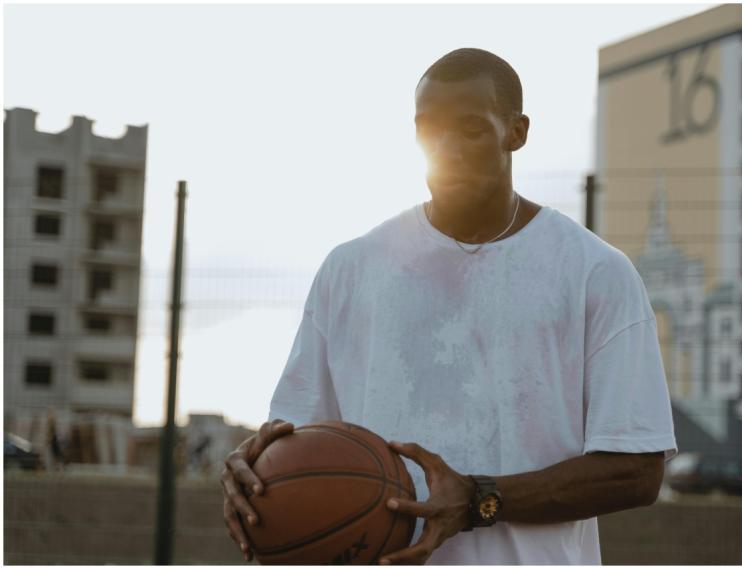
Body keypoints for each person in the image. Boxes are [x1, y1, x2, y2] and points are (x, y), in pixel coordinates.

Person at [221, 47, 677, 564]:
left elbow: (636, 471)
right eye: (428, 129)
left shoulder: (596, 272)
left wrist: (480, 499)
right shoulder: (351, 268)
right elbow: (298, 446)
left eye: (471, 129)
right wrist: (256, 472)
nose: (447, 148)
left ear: (516, 132)